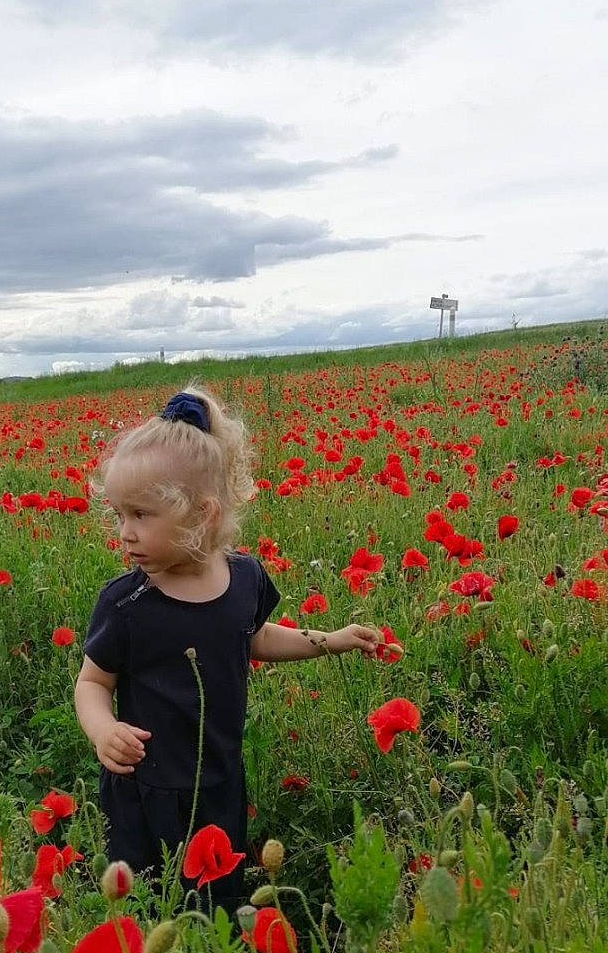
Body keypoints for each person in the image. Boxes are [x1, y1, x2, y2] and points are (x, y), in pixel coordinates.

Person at [74, 384, 381, 911]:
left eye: (142, 515)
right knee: (149, 903)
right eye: (120, 516)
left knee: (215, 897)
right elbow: (92, 681)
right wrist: (104, 730)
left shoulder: (244, 580)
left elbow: (256, 638)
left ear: (203, 514)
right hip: (144, 788)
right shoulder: (128, 605)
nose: (125, 533)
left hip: (218, 781)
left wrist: (329, 641)